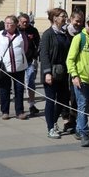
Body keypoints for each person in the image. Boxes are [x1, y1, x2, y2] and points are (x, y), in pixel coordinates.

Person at [66, 13, 89, 147]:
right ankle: (84, 133)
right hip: (80, 79)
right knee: (82, 106)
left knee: (86, 107)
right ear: (85, 25)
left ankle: (78, 129)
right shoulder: (78, 38)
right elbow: (70, 59)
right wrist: (74, 76)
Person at [0, 15, 30, 120]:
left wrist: (19, 57)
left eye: (9, 23)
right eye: (6, 23)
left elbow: (25, 48)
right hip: (4, 67)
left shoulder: (21, 35)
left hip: (19, 67)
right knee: (4, 89)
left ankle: (19, 111)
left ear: (15, 25)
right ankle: (5, 111)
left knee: (19, 89)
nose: (7, 25)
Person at [38, 10, 72, 139]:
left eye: (65, 16)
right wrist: (47, 72)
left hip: (62, 72)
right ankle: (50, 127)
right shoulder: (48, 34)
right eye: (62, 16)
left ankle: (53, 120)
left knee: (63, 99)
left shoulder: (64, 34)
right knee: (50, 100)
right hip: (51, 72)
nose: (65, 19)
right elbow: (44, 54)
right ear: (54, 18)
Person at [18, 14, 41, 117]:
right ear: (19, 21)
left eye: (27, 22)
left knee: (31, 80)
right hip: (18, 62)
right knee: (19, 84)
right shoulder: (16, 31)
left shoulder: (33, 30)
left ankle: (32, 105)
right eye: (23, 22)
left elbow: (38, 44)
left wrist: (36, 55)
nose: (25, 23)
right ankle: (20, 107)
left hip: (30, 60)